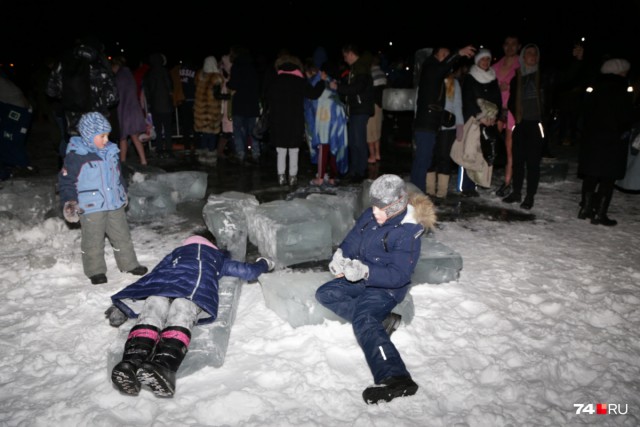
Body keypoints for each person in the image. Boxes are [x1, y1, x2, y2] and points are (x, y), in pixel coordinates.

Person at [108, 229, 275, 397]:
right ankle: (164, 366)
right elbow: (248, 272)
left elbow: (152, 276)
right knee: (182, 308)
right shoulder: (217, 257)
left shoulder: (176, 254)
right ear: (212, 244)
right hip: (192, 293)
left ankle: (131, 362)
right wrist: (264, 263)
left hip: (161, 289)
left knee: (154, 305)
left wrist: (125, 301)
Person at [315, 174, 436, 404]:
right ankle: (381, 323)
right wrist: (341, 255)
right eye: (374, 206)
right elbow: (353, 237)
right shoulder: (372, 215)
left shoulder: (408, 233)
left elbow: (399, 275)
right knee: (325, 293)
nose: (375, 212)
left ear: (397, 205)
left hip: (387, 288)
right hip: (360, 276)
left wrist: (366, 271)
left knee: (364, 318)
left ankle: (397, 377)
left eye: (381, 208)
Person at [58, 112, 148, 285]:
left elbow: (118, 175)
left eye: (107, 135)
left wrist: (123, 191)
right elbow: (66, 182)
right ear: (88, 136)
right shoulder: (77, 157)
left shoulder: (111, 152)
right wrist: (70, 202)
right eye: (102, 136)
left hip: (114, 203)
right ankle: (95, 270)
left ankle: (129, 264)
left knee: (122, 235)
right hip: (90, 206)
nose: (106, 139)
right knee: (93, 239)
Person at [577, 58, 636, 226]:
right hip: (613, 139)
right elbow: (626, 114)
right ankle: (600, 213)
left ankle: (586, 208)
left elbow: (585, 110)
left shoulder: (594, 86)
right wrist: (624, 130)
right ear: (618, 71)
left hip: (593, 137)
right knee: (608, 177)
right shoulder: (623, 88)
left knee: (592, 173)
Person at [411, 44, 476, 193]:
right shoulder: (430, 66)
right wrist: (458, 52)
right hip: (425, 122)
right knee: (423, 160)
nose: (447, 57)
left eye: (449, 53)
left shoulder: (439, 74)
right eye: (445, 53)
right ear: (436, 54)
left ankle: (418, 193)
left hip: (432, 123)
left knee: (426, 159)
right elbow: (442, 69)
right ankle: (417, 194)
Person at [502, 44, 550, 210]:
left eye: (535, 54)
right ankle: (516, 192)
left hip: (536, 125)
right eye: (529, 53)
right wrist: (515, 116)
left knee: (533, 163)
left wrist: (577, 61)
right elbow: (510, 101)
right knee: (518, 161)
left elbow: (565, 78)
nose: (532, 56)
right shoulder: (517, 78)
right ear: (523, 57)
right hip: (521, 124)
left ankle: (529, 196)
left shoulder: (543, 76)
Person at [266, 54, 325, 186]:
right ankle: (293, 177)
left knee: (281, 149)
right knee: (294, 149)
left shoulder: (275, 79)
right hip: (295, 119)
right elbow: (314, 94)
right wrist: (321, 82)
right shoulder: (300, 81)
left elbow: (267, 97)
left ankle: (281, 177)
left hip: (278, 120)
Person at [458, 48, 502, 196]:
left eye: (488, 59)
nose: (485, 62)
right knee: (470, 152)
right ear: (477, 61)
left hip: (489, 120)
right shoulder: (470, 77)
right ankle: (466, 185)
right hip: (473, 120)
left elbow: (497, 100)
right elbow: (467, 99)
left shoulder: (492, 78)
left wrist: (494, 116)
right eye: (483, 59)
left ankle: (480, 182)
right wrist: (479, 115)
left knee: (485, 151)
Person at [329, 44, 374, 183]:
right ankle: (355, 170)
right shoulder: (355, 68)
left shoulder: (361, 68)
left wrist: (339, 87)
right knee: (354, 141)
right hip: (356, 109)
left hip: (361, 109)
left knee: (358, 141)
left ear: (350, 53)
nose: (344, 59)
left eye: (345, 56)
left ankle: (360, 171)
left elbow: (358, 88)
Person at [425, 67, 464, 200]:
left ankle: (442, 192)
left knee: (444, 158)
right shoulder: (429, 80)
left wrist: (460, 125)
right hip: (430, 124)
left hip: (448, 126)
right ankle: (430, 190)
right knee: (430, 157)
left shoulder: (454, 83)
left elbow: (458, 105)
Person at [492, 35, 521, 197]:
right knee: (491, 144)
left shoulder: (521, 65)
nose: (510, 47)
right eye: (507, 44)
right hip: (496, 110)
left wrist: (510, 86)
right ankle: (483, 178)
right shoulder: (495, 66)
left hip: (512, 111)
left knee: (511, 149)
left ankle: (508, 182)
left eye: (513, 44)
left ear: (518, 46)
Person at [111, 56, 148, 166]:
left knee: (125, 137)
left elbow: (118, 95)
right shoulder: (128, 75)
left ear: (115, 66)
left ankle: (123, 162)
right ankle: (142, 160)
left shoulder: (120, 77)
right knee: (132, 136)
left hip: (126, 111)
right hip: (133, 109)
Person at [193, 56, 224, 162]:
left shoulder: (200, 76)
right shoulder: (216, 78)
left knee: (204, 133)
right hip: (212, 110)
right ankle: (211, 155)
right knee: (212, 134)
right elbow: (217, 95)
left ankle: (203, 154)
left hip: (201, 110)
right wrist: (228, 96)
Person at [367, 54, 387, 163]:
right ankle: (378, 154)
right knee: (377, 131)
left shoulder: (371, 74)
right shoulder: (382, 74)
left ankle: (372, 156)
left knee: (370, 132)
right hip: (380, 105)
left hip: (372, 105)